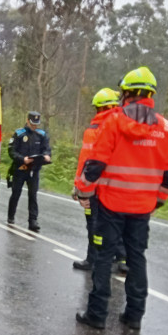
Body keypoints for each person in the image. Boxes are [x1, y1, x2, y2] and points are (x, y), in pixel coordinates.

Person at [74, 67, 168, 330]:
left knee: (102, 256)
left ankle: (97, 315)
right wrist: (157, 202)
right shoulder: (166, 128)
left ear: (127, 93)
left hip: (110, 205)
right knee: (136, 257)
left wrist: (84, 193)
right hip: (142, 208)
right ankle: (134, 316)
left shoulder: (112, 122)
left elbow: (95, 165)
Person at [71, 88, 127, 272]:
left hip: (95, 189)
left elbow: (86, 162)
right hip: (118, 188)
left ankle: (94, 259)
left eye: (99, 109)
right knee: (118, 223)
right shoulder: (124, 127)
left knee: (94, 224)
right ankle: (121, 258)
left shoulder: (94, 130)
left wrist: (80, 188)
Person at [7, 111, 51, 231]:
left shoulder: (41, 135)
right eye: (32, 124)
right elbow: (11, 151)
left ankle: (33, 221)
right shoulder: (19, 134)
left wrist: (47, 156)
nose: (34, 126)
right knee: (16, 193)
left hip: (34, 170)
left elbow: (46, 149)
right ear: (27, 121)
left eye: (36, 124)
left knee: (33, 195)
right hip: (20, 169)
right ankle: (11, 216)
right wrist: (22, 159)